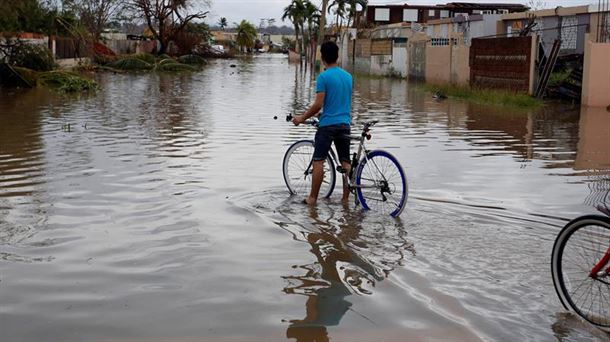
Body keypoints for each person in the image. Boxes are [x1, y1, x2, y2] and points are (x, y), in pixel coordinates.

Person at [292, 41, 353, 205]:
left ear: (323, 57)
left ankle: (312, 198)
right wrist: (323, 111)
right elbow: (339, 101)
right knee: (345, 162)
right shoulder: (348, 77)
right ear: (337, 56)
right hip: (345, 124)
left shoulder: (323, 77)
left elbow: (318, 103)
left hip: (328, 126)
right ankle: (346, 199)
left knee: (318, 160)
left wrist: (301, 118)